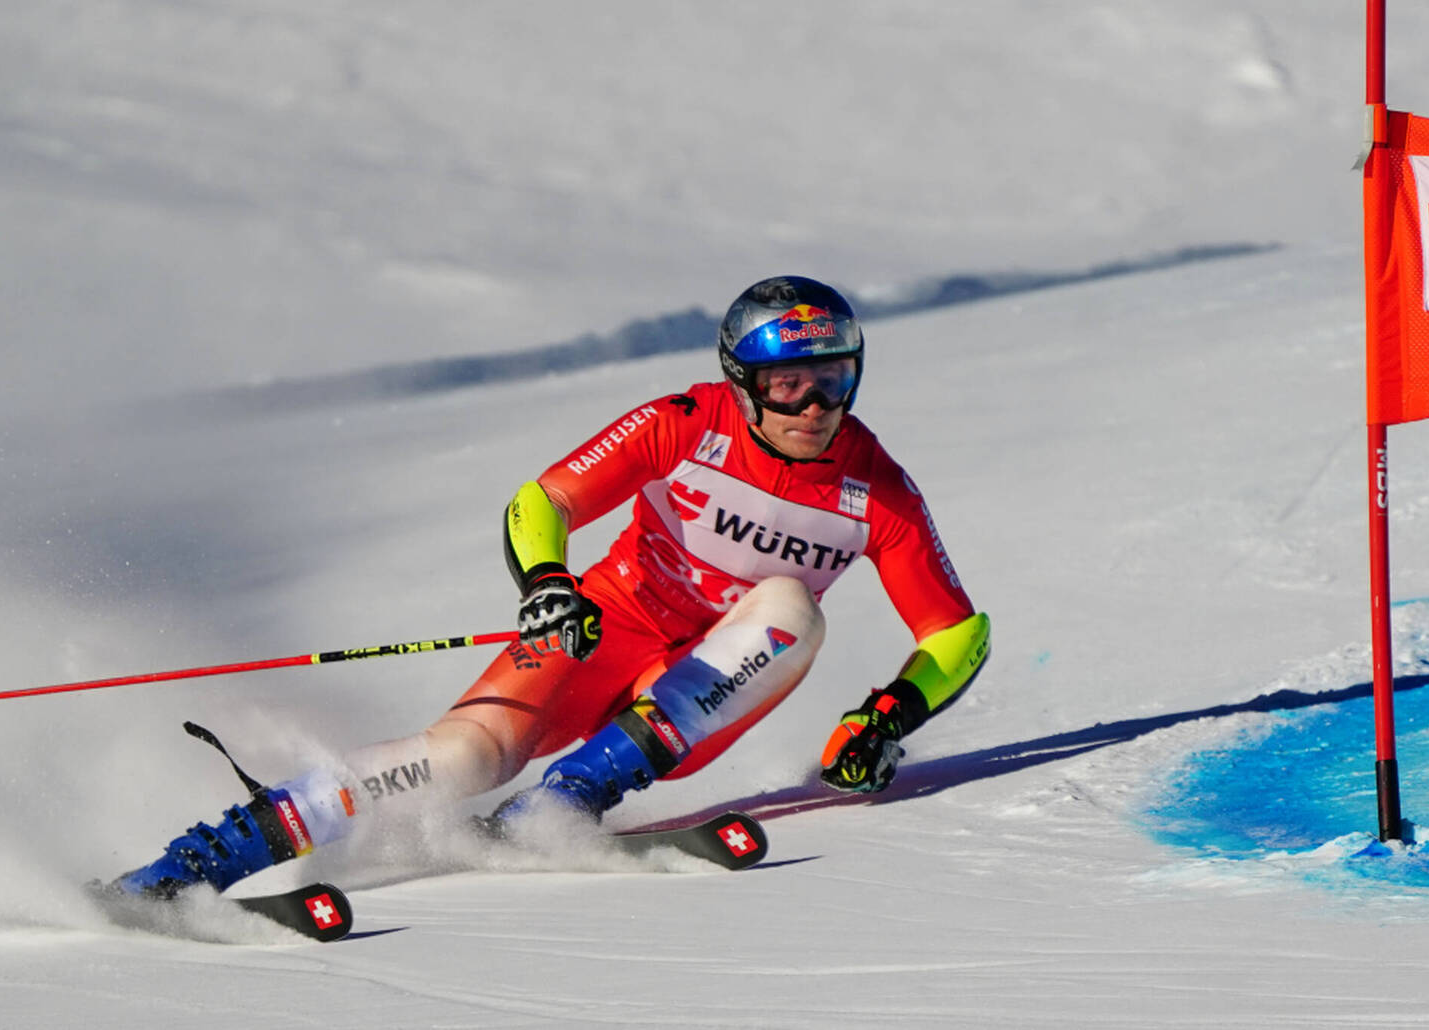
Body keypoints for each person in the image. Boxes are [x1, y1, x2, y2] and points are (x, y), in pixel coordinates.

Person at [109, 275, 990, 897]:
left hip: (705, 689)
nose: (813, 408)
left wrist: (884, 721)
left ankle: (570, 797)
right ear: (743, 382)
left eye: (831, 381)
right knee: (463, 756)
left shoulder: (876, 491)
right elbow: (545, 500)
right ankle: (205, 861)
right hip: (602, 628)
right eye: (788, 386)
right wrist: (547, 584)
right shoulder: (681, 423)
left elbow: (957, 633)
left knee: (789, 606)